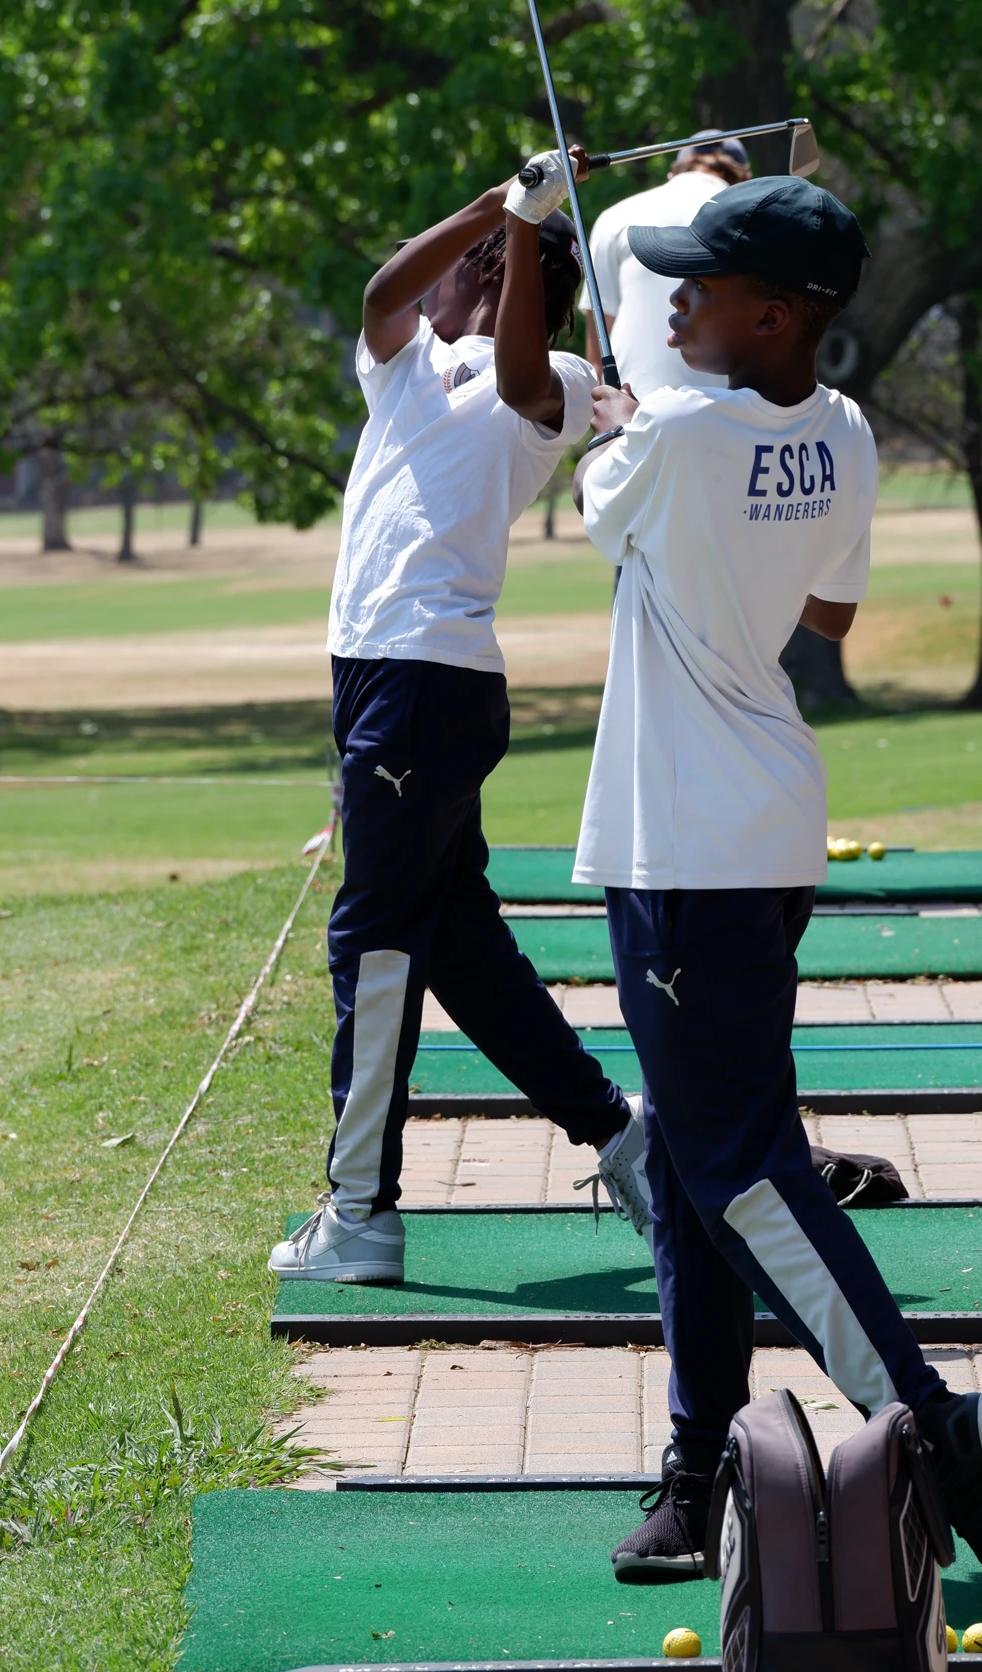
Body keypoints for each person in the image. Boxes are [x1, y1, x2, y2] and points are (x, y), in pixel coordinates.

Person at [566, 176, 982, 1594]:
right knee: (705, 1161)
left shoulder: (681, 434)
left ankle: (928, 1421)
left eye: (699, 285)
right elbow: (825, 610)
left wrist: (630, 420)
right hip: (760, 829)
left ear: (777, 314)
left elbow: (606, 493)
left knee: (733, 1165)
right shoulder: (841, 429)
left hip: (689, 849)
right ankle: (697, 1457)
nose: (674, 300)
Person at [269, 152, 652, 1286]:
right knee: (458, 943)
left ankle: (360, 1211)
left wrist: (526, 233)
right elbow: (382, 291)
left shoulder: (565, 381)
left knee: (371, 943)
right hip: (379, 679)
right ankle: (618, 1131)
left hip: (425, 681)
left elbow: (525, 367)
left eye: (466, 261)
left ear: (488, 277)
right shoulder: (404, 362)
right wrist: (497, 206)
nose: (434, 284)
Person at [580, 130, 751, 397]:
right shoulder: (755, 225)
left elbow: (597, 359)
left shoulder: (614, 217)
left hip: (629, 412)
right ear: (744, 180)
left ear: (673, 173)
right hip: (730, 419)